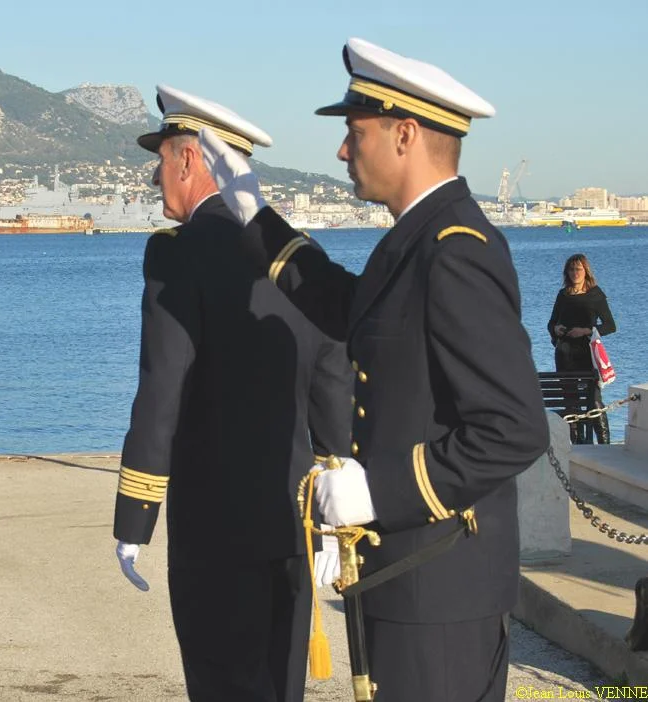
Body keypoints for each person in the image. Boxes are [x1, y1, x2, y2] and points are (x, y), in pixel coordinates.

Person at [200, 38, 550, 702]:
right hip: (408, 578)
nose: (340, 152)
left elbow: (514, 428)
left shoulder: (455, 251)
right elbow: (345, 305)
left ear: (405, 134)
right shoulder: (417, 239)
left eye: (353, 133)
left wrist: (377, 492)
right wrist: (254, 213)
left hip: (439, 591)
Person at [112, 85, 353, 702]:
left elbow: (161, 391)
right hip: (294, 518)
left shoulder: (177, 255)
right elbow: (333, 382)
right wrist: (333, 508)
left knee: (223, 683)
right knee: (280, 684)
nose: (155, 175)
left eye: (161, 159)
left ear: (189, 160)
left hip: (213, 527)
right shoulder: (300, 254)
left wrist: (135, 518)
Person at [548, 253, 616, 444]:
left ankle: (604, 444)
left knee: (593, 399)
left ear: (586, 271)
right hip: (565, 354)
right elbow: (551, 323)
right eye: (571, 269)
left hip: (588, 354)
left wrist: (586, 330)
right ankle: (577, 444)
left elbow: (610, 325)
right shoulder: (563, 295)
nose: (575, 273)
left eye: (578, 269)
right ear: (566, 272)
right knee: (570, 401)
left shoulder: (595, 294)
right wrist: (556, 329)